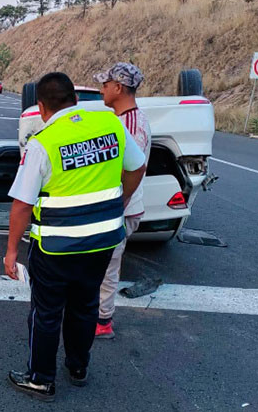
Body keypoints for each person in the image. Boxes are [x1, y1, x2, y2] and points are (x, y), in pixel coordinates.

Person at [3, 72, 147, 402]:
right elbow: (137, 166)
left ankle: (40, 379)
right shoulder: (112, 126)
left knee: (47, 312)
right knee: (85, 306)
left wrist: (11, 251)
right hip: (102, 241)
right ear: (76, 99)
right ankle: (78, 368)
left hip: (56, 247)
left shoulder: (45, 142)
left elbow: (23, 205)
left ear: (41, 106)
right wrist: (121, 201)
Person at [94, 62, 152, 339]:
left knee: (108, 266)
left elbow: (131, 170)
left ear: (118, 87)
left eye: (105, 85)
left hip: (119, 208)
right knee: (102, 264)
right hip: (117, 206)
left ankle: (103, 321)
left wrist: (118, 204)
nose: (101, 89)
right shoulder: (124, 118)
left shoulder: (128, 124)